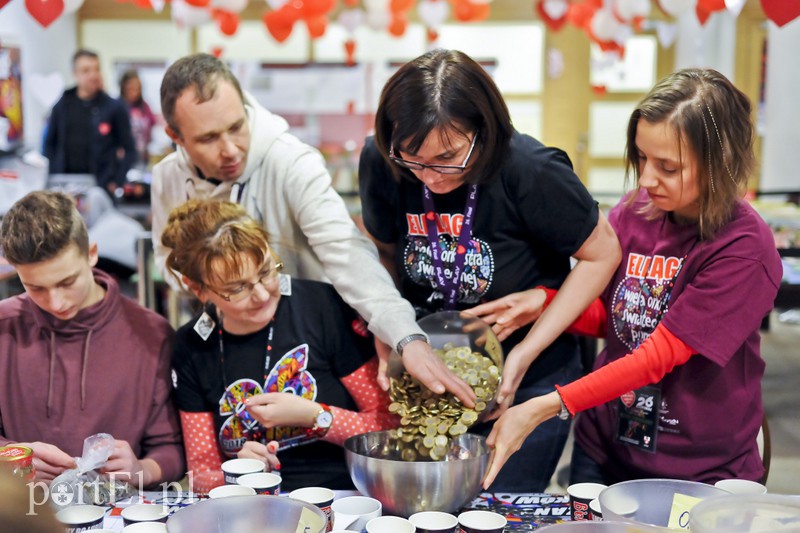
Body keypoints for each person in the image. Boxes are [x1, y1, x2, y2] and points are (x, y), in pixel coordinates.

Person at [480, 68, 782, 488]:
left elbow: (656, 357)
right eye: (641, 158)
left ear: (721, 163)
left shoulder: (744, 247)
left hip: (699, 467)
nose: (645, 179)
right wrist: (545, 302)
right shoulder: (636, 210)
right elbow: (617, 317)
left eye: (668, 167)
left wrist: (546, 406)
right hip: (605, 448)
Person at [358, 48, 621, 491]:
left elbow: (603, 253)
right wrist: (386, 329)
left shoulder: (531, 170)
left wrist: (524, 352)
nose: (432, 179)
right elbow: (382, 254)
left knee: (501, 507)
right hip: (427, 375)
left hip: (530, 377)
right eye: (413, 158)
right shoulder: (382, 163)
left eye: (448, 157)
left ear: (484, 129)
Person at [150, 53, 473, 406]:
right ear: (175, 136)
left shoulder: (290, 161)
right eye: (208, 138)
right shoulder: (167, 177)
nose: (230, 149)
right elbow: (172, 263)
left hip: (317, 345)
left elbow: (347, 253)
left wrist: (403, 335)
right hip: (234, 345)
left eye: (236, 127)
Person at [164, 199, 399, 493]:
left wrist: (317, 417)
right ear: (197, 288)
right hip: (250, 504)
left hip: (345, 494)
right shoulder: (192, 346)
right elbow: (200, 473)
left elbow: (390, 429)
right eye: (237, 288)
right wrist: (234, 471)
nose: (262, 294)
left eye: (266, 272)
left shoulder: (321, 307)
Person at [0, 191, 184, 488]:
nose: (56, 302)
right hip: (22, 516)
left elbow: (172, 448)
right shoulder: (4, 328)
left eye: (67, 282)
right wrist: (11, 457)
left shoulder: (152, 334)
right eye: (36, 288)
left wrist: (142, 469)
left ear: (92, 253)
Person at [44, 49, 136, 197]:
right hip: (66, 187)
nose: (93, 75)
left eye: (96, 69)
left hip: (101, 188)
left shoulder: (114, 108)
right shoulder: (62, 105)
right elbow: (49, 144)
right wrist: (54, 175)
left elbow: (130, 149)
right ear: (75, 74)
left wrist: (117, 180)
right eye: (86, 70)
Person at [119, 69, 157, 169]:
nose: (134, 91)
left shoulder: (144, 106)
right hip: (123, 157)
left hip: (142, 155)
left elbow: (152, 124)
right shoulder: (118, 106)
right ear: (124, 87)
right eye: (131, 87)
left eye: (137, 87)